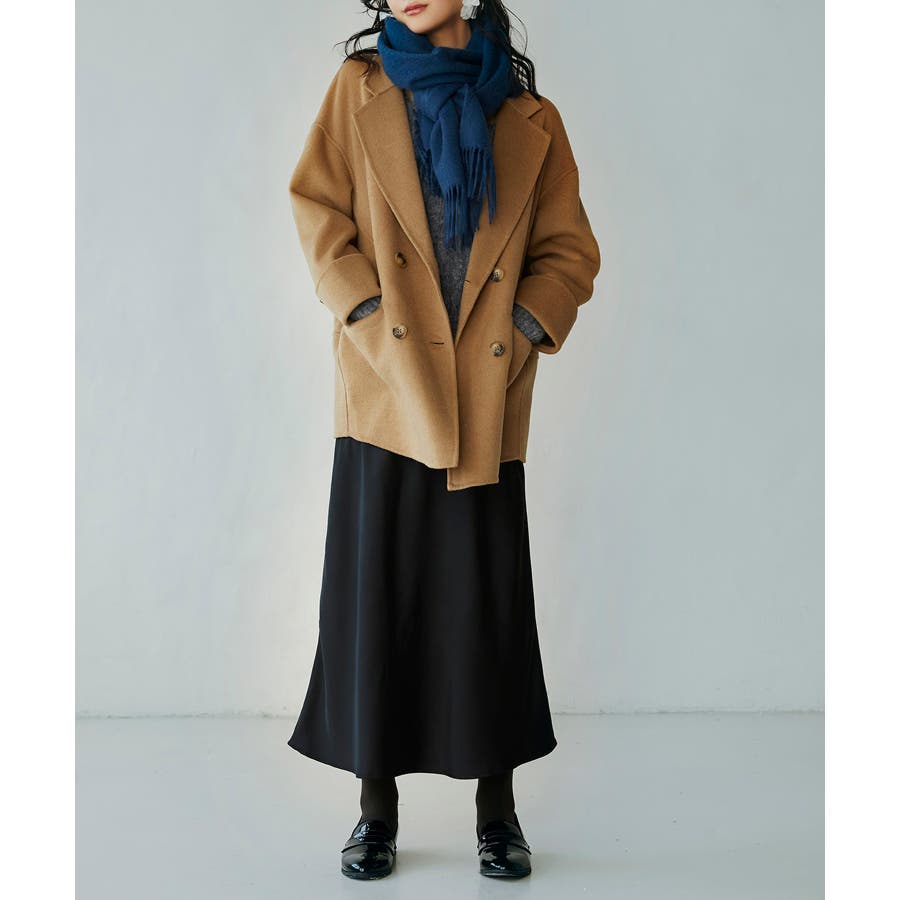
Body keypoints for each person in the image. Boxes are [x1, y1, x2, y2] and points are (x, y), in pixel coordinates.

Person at [284, 0, 601, 880]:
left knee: (483, 608)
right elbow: (318, 210)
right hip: (386, 389)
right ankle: (374, 811)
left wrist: (525, 332)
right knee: (376, 600)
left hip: (483, 395)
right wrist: (363, 310)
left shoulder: (532, 119)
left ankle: (497, 812)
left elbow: (569, 251)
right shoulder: (359, 90)